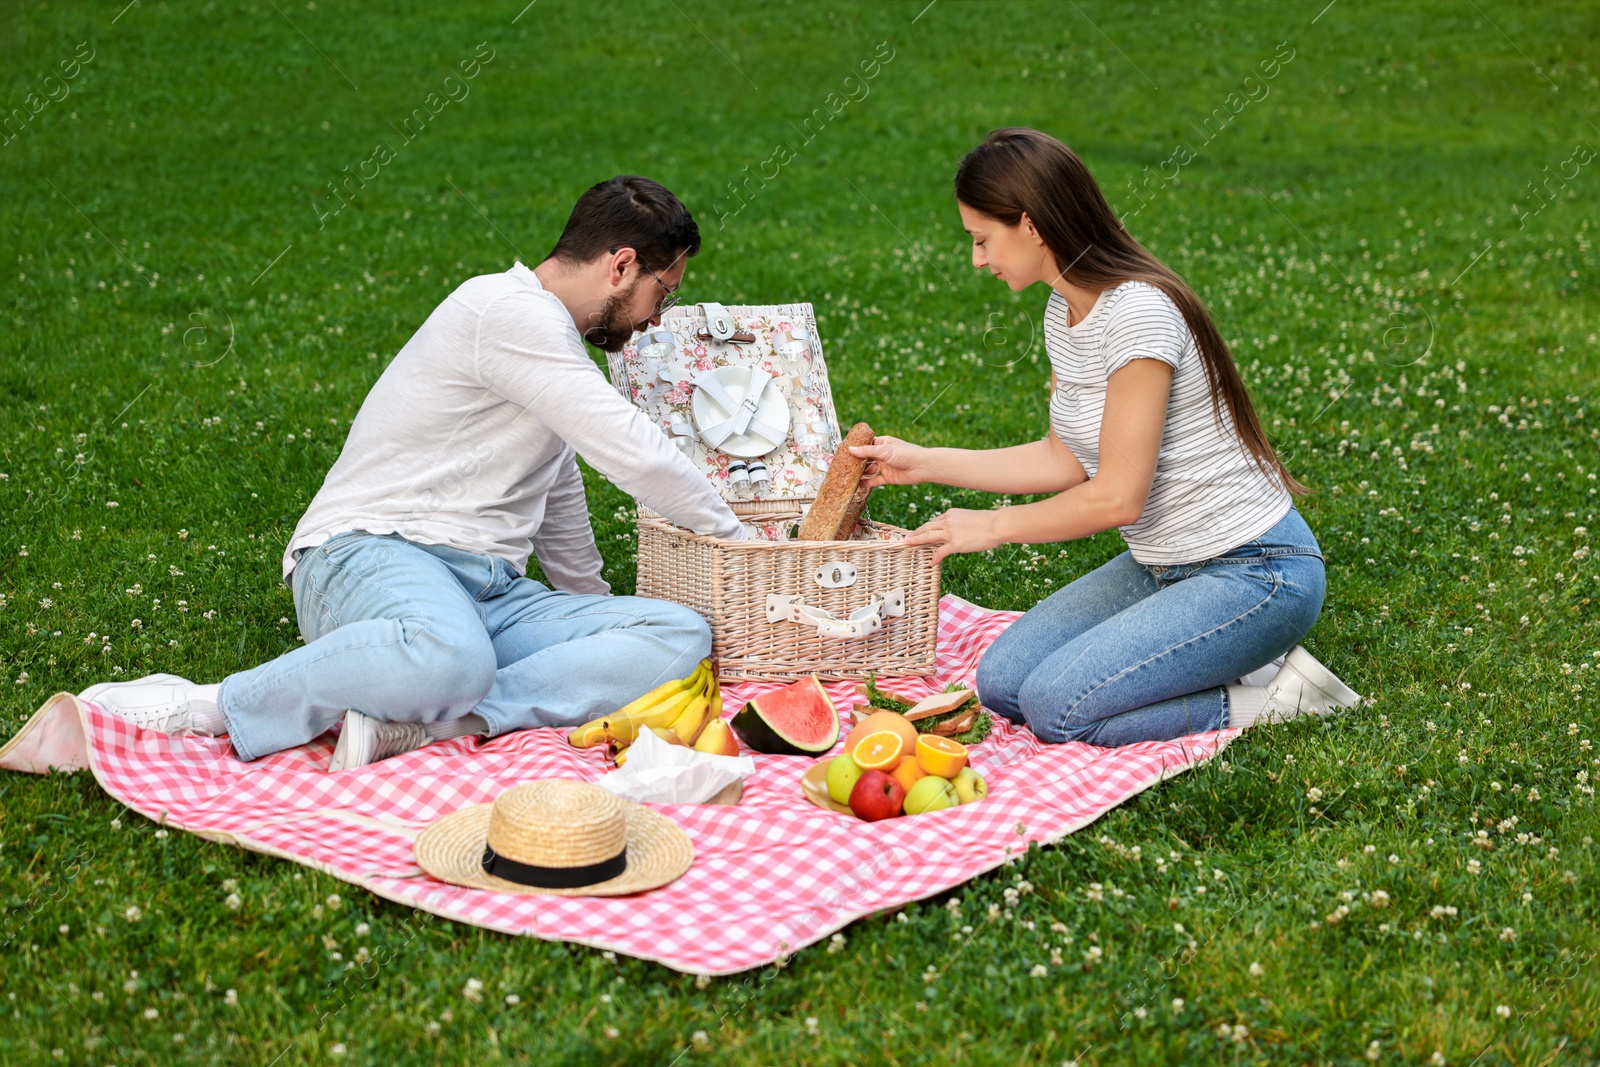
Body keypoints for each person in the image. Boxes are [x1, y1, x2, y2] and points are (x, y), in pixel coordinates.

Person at [82, 176, 746, 769]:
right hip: (369, 556)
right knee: (451, 655)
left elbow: (559, 488)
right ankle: (212, 704)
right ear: (622, 264)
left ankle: (445, 719)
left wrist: (596, 614)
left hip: (487, 596)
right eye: (663, 290)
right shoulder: (504, 311)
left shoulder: (556, 346)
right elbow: (634, 449)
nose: (658, 316)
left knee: (679, 636)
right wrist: (739, 538)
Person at [853, 128, 1360, 746]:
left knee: (1057, 709)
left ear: (1033, 226)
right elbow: (1064, 458)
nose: (977, 260)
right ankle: (1214, 647)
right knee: (1003, 682)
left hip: (1256, 572)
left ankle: (1283, 699)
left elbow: (1119, 498)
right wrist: (923, 461)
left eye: (983, 240)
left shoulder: (1139, 313)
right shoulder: (1063, 312)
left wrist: (988, 527)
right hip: (1163, 566)